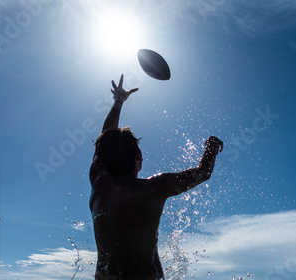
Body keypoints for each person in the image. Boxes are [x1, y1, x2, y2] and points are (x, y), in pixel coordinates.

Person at [89, 75, 223, 279]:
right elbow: (203, 172)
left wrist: (117, 104)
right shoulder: (152, 189)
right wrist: (211, 147)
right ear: (138, 158)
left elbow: (105, 141)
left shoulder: (99, 182)